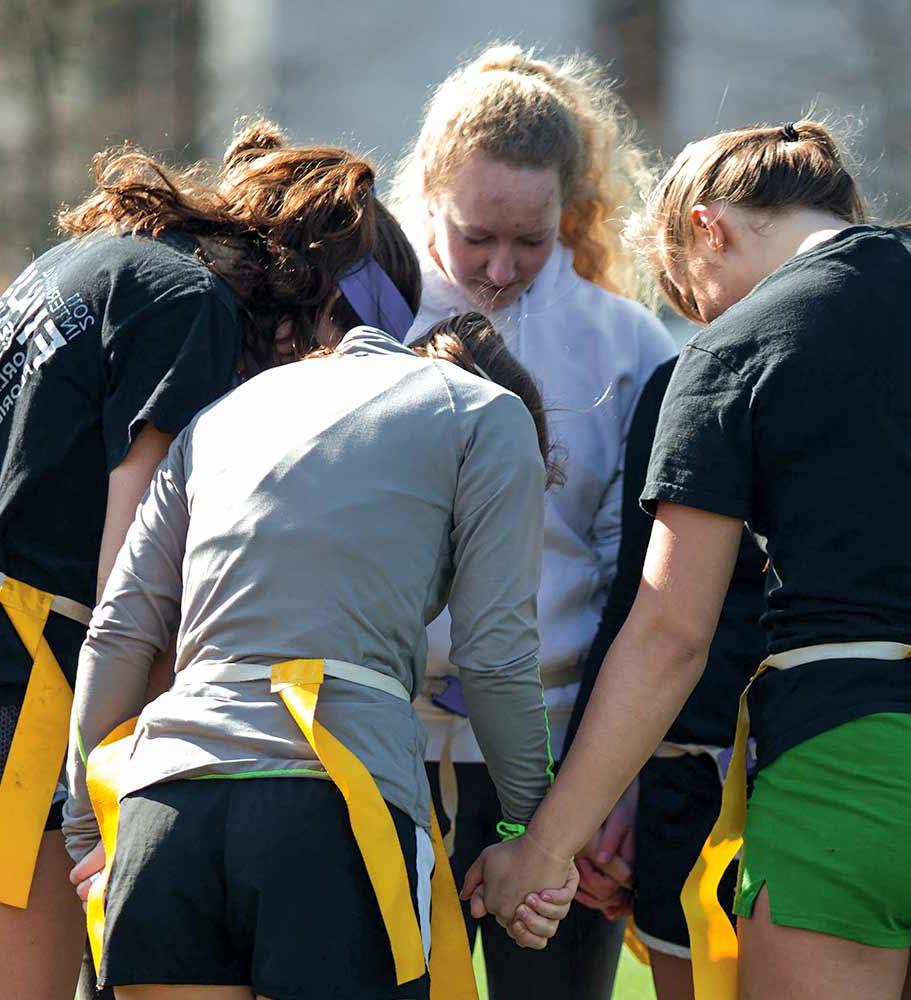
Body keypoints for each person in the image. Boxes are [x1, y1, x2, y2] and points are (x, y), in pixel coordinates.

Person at [465, 118, 911, 1000]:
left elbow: (670, 635)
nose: (707, 318)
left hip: (847, 776)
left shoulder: (733, 349)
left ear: (706, 228)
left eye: (697, 296)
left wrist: (542, 850)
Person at [0, 120, 420, 1000]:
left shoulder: (101, 258)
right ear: (317, 305)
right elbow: (135, 586)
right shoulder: (194, 307)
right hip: (30, 693)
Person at [60, 310, 575, 1000]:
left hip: (163, 810)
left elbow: (121, 630)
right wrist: (533, 834)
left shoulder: (223, 414)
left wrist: (89, 829)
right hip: (336, 811)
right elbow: (493, 654)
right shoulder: (490, 415)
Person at [391, 44, 676, 999]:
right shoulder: (361, 315)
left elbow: (635, 583)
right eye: (476, 238)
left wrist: (612, 784)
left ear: (569, 215)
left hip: (556, 770)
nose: (501, 270)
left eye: (532, 241)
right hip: (378, 752)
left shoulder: (623, 339)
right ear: (428, 194)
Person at [562, 354, 768, 1000]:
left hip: (818, 766)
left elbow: (663, 629)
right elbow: (641, 593)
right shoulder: (688, 374)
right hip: (691, 775)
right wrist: (601, 794)